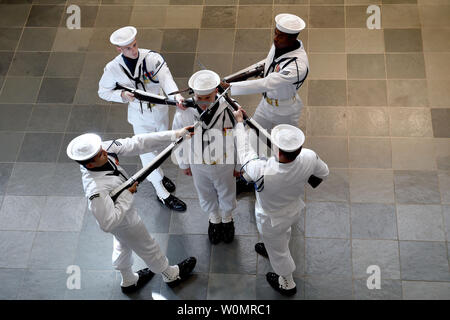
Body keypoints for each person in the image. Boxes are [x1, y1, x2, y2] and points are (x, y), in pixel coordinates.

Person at [66, 129, 197, 293]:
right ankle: (170, 275)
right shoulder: (95, 189)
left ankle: (128, 281)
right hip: (124, 221)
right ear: (89, 164)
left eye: (102, 149)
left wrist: (174, 134)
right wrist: (127, 194)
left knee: (123, 245)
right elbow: (107, 223)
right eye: (100, 154)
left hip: (122, 217)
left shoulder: (102, 151)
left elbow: (138, 142)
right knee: (148, 246)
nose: (105, 152)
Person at [233, 107, 329, 296]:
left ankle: (287, 281)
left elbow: (245, 153)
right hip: (292, 210)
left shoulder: (261, 170)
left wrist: (238, 123)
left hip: (271, 220)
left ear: (276, 150)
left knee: (280, 254)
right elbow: (324, 173)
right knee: (281, 237)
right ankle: (274, 246)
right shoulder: (308, 156)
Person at [98, 26, 186, 212]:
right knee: (147, 152)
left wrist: (176, 96)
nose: (134, 50)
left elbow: (166, 79)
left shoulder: (152, 58)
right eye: (128, 48)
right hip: (140, 115)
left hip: (160, 111)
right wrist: (121, 95)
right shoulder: (113, 68)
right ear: (119, 50)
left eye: (135, 45)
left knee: (160, 146)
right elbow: (103, 91)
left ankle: (159, 175)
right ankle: (162, 192)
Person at [172, 70, 239, 245]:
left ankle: (227, 218)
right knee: (205, 192)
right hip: (198, 163)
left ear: (216, 92)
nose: (202, 103)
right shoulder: (184, 113)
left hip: (224, 161)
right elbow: (179, 140)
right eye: (198, 97)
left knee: (227, 190)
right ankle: (214, 219)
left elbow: (240, 139)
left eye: (207, 97)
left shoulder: (230, 109)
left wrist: (238, 166)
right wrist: (184, 163)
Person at [223, 13, 309, 130]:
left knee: (286, 142)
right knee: (253, 133)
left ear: (292, 39)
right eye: (275, 33)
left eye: (280, 36)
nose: (275, 38)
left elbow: (266, 83)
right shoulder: (279, 45)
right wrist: (234, 77)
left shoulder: (298, 66)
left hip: (285, 112)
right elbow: (267, 62)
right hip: (265, 105)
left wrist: (229, 87)